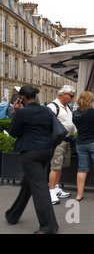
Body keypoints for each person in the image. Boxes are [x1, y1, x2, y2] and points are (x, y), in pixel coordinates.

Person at [5, 85, 59, 234]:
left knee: (39, 188)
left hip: (31, 154)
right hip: (47, 151)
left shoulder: (22, 113)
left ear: (22, 98)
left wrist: (15, 113)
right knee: (28, 185)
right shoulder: (46, 110)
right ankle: (13, 215)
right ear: (35, 96)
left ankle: (48, 227)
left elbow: (14, 133)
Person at [47, 85, 76, 205]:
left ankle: (56, 187)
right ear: (64, 94)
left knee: (60, 166)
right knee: (55, 166)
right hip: (58, 141)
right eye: (71, 96)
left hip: (67, 140)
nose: (72, 98)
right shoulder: (52, 106)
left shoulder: (66, 107)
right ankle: (51, 191)